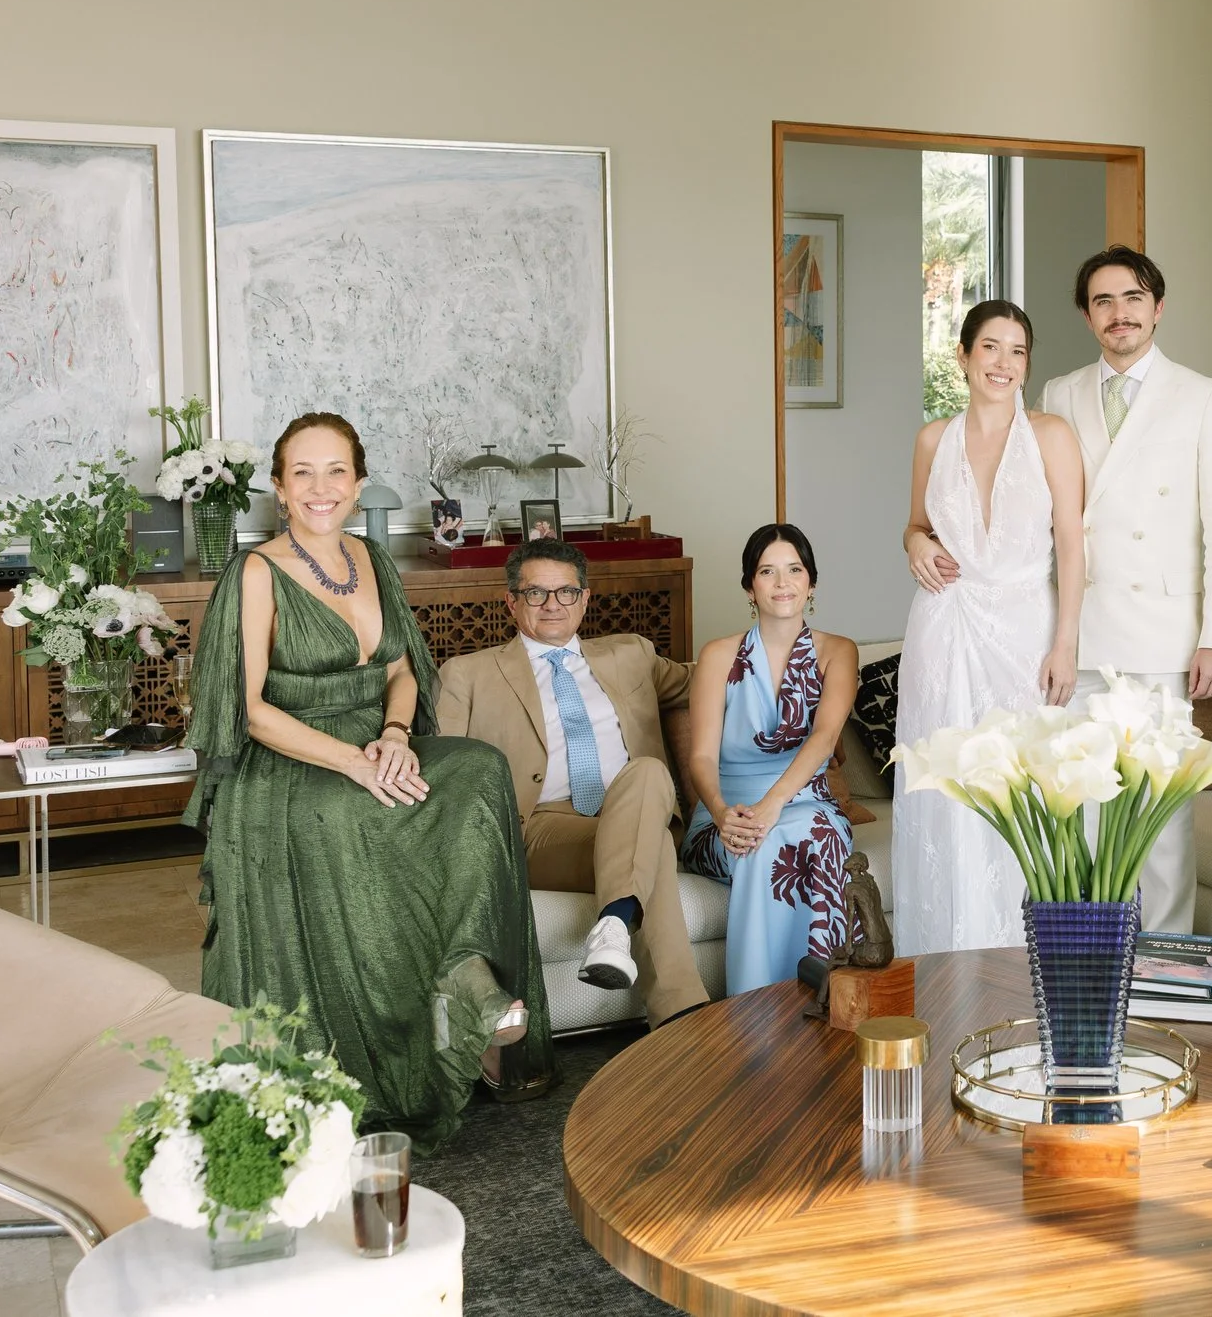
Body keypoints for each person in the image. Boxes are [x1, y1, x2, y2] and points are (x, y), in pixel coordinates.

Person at [185, 413, 549, 1149]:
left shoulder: (372, 558)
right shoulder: (254, 573)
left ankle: (465, 977)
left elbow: (402, 671)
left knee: (479, 768)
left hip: (376, 739)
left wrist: (393, 738)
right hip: (290, 760)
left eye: (336, 472)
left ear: (358, 484)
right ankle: (416, 1026)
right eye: (303, 473)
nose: (320, 487)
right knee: (354, 809)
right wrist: (353, 761)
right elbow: (249, 710)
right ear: (280, 488)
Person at [1039, 246, 1212, 935]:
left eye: (1133, 298)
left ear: (1158, 308)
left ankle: (1165, 966)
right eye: (1103, 301)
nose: (1119, 313)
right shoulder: (1059, 393)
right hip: (1080, 633)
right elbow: (1044, 513)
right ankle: (1087, 961)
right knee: (1080, 813)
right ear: (1086, 315)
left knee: (1160, 821)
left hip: (1164, 638)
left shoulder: (1202, 396)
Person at [435, 537, 711, 1029]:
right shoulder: (467, 674)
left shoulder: (632, 653)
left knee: (648, 772)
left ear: (584, 599)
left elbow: (713, 683)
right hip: (542, 829)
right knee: (652, 849)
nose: (552, 605)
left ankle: (613, 929)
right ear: (512, 602)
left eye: (565, 592)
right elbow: (447, 770)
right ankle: (682, 1019)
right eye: (536, 593)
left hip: (635, 806)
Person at [895, 300, 1086, 953]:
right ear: (963, 355)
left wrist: (1066, 642)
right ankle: (947, 962)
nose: (1003, 363)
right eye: (990, 347)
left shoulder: (1052, 435)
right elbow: (915, 524)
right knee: (948, 791)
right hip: (942, 629)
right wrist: (915, 544)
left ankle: (1026, 962)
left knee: (1024, 789)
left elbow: (1072, 545)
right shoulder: (932, 439)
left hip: (1026, 634)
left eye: (1017, 351)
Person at [680, 524, 859, 995]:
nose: (783, 583)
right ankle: (759, 1013)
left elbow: (823, 739)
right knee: (761, 839)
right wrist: (723, 814)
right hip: (727, 818)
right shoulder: (717, 655)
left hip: (808, 806)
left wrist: (773, 805)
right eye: (767, 572)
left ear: (811, 583)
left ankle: (828, 999)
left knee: (811, 834)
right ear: (749, 587)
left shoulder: (838, 651)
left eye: (794, 570)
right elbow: (701, 757)